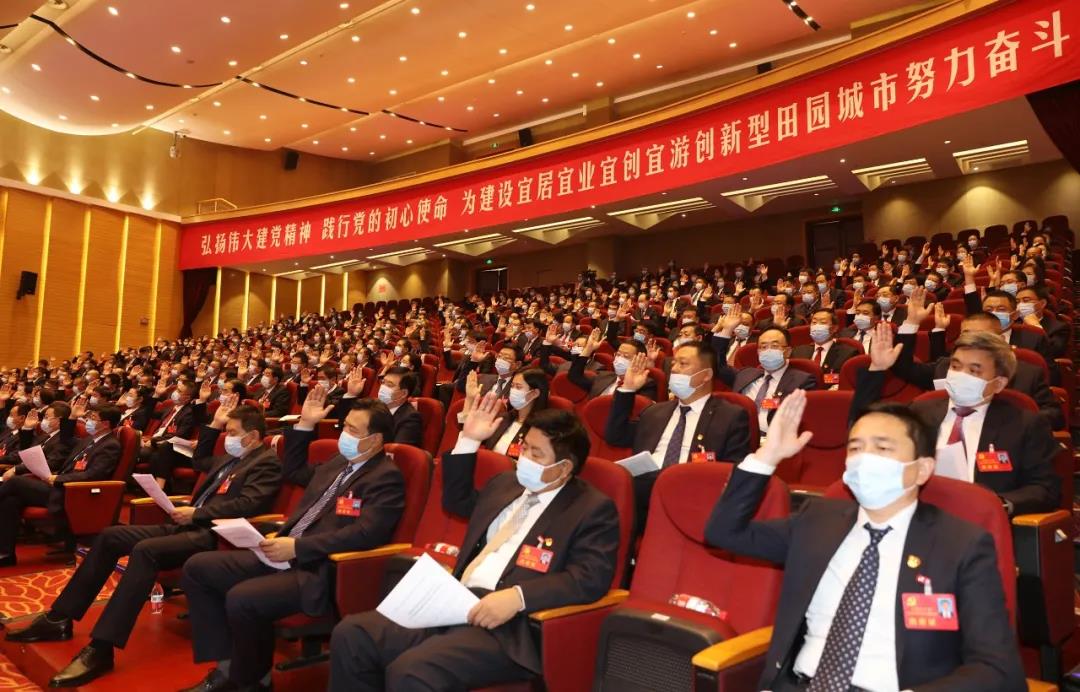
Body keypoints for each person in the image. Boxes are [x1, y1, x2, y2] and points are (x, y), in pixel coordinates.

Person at [705, 390, 1026, 691]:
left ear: (922, 469)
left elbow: (997, 667)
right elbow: (723, 532)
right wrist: (767, 456)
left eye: (883, 448)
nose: (864, 459)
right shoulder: (817, 520)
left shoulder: (961, 544)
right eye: (855, 448)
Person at [327, 396, 620, 691]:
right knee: (353, 634)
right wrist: (468, 440)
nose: (525, 458)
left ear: (564, 467)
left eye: (537, 454)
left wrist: (518, 597)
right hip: (454, 603)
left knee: (412, 671)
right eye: (525, 447)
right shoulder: (505, 483)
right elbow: (456, 500)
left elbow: (589, 578)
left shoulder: (591, 508)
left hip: (507, 626)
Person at [7, 397, 282, 687]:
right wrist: (213, 425)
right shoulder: (229, 458)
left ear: (252, 436)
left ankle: (101, 647)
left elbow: (248, 504)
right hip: (185, 525)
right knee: (111, 535)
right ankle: (59, 618)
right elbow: (199, 460)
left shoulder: (266, 463)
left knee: (145, 551)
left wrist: (197, 514)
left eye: (233, 432)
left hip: (214, 536)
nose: (228, 438)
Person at [177, 388, 405, 692]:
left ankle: (249, 682)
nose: (344, 434)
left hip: (318, 568)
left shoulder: (385, 477)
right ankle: (227, 666)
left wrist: (298, 547)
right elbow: (293, 470)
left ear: (374, 440)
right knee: (198, 568)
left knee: (242, 598)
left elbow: (365, 533)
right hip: (283, 550)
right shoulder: (338, 463)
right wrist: (305, 425)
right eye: (345, 426)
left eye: (352, 430)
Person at [854, 322, 1059, 516]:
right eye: (956, 366)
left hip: (981, 521)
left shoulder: (1024, 424)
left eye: (974, 370)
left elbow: (1045, 488)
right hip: (919, 516)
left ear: (999, 384)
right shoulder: (921, 410)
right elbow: (865, 429)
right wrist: (877, 369)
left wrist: (998, 504)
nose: (961, 375)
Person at [605, 344, 750, 532]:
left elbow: (732, 471)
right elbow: (615, 436)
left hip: (690, 499)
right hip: (643, 498)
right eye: (673, 364)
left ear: (706, 375)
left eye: (683, 363)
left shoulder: (730, 417)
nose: (673, 369)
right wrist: (627, 389)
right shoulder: (654, 412)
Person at [0, 400, 122, 565]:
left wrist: (58, 479)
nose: (88, 421)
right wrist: (72, 417)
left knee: (15, 482)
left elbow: (92, 475)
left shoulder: (110, 445)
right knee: (10, 501)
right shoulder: (89, 440)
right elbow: (65, 439)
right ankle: (6, 555)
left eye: (93, 418)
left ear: (106, 423)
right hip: (58, 487)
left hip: (70, 492)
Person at [712, 315, 816, 437]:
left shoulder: (802, 381)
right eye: (763, 347)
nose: (768, 350)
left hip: (772, 439)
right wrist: (726, 331)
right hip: (736, 435)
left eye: (775, 346)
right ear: (758, 352)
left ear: (787, 351)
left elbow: (800, 421)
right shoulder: (746, 374)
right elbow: (717, 365)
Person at [790, 310, 860, 387]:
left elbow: (843, 380)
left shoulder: (848, 353)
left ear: (834, 328)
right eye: (814, 322)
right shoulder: (798, 351)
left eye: (823, 322)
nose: (817, 326)